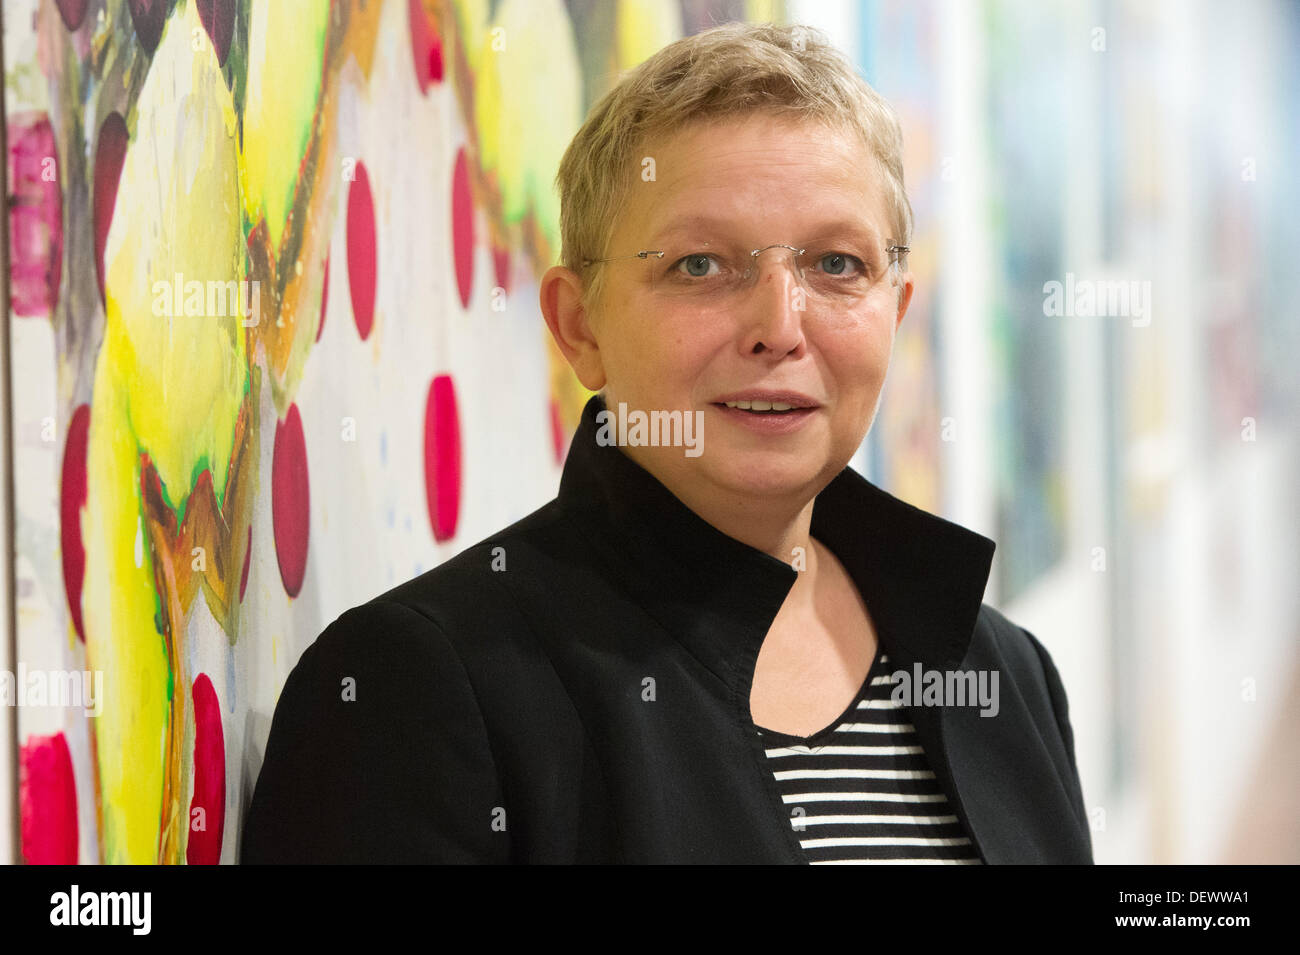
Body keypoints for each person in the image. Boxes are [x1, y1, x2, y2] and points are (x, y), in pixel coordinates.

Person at [241, 21, 1093, 864]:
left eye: (837, 264)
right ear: (580, 328)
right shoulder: (415, 691)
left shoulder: (1002, 672)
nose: (779, 327)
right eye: (699, 266)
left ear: (896, 313)